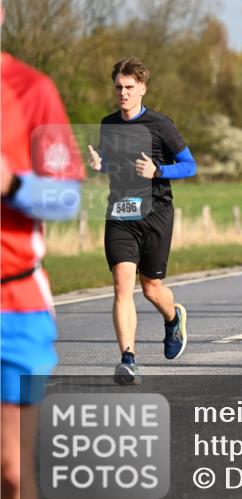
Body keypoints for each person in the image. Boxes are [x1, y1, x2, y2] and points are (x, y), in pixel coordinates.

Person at [1, 0, 85, 499]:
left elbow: (67, 195)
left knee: (9, 471)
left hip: (15, 304)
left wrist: (12, 186)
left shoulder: (32, 90)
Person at [86, 58, 197, 384]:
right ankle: (128, 358)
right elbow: (113, 163)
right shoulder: (109, 124)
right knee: (122, 285)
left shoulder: (161, 125)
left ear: (142, 89)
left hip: (156, 214)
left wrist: (158, 171)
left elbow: (190, 166)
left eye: (129, 87)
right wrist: (100, 163)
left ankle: (173, 316)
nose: (123, 93)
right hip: (120, 214)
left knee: (150, 288)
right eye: (119, 87)